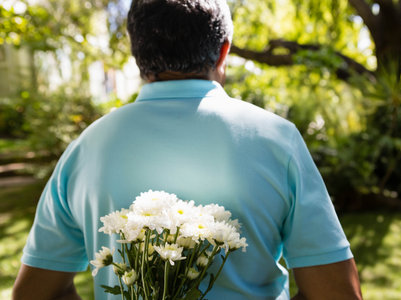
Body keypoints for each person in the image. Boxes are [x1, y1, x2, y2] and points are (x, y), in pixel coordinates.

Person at [13, 0, 363, 299]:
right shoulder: (277, 139)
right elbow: (336, 293)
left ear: (137, 53)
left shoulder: (85, 149)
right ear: (224, 49)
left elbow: (35, 293)